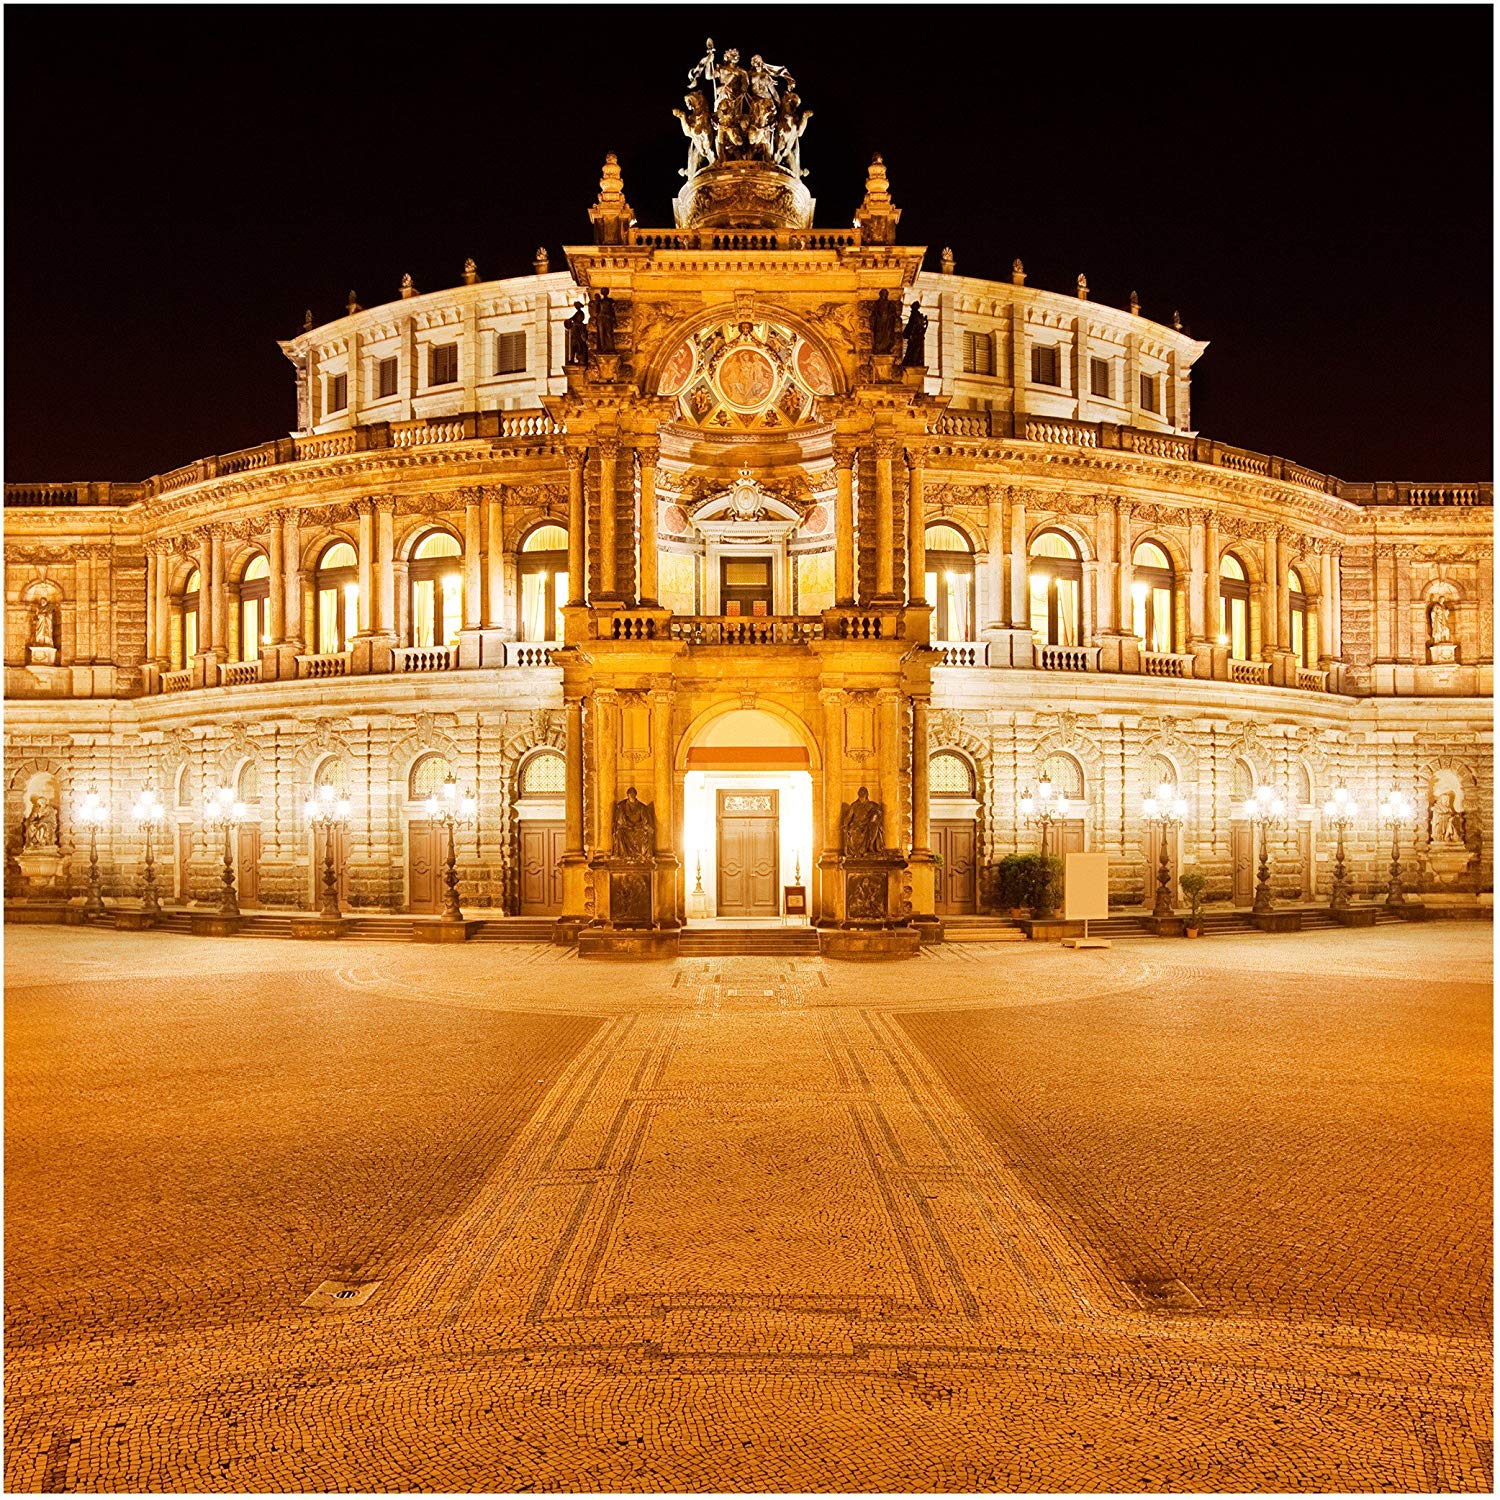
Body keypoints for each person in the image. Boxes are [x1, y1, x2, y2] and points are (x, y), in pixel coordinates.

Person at [613, 787, 655, 863]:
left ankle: (641, 856)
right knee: (619, 832)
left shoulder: (641, 807)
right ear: (627, 795)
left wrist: (638, 825)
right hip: (627, 828)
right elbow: (621, 820)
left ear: (635, 795)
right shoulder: (622, 806)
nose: (631, 795)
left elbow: (645, 820)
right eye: (630, 794)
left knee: (647, 833)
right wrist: (628, 825)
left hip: (638, 827)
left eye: (633, 794)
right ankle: (624, 855)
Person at [842, 786, 884, 857]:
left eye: (863, 795)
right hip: (856, 824)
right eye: (860, 795)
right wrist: (845, 824)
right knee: (853, 830)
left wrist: (875, 816)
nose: (862, 797)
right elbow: (848, 817)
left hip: (867, 824)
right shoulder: (854, 805)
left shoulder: (871, 805)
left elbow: (879, 811)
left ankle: (870, 845)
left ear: (866, 795)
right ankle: (857, 851)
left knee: (873, 826)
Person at [870, 289, 900, 356]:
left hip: (887, 323)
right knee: (878, 335)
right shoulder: (877, 303)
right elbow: (873, 313)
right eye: (883, 294)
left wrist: (889, 315)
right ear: (880, 294)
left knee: (888, 335)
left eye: (885, 294)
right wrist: (878, 316)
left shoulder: (890, 304)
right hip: (879, 323)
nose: (884, 295)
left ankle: (886, 349)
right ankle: (878, 349)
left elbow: (893, 313)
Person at [900, 300, 929, 368]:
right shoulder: (916, 315)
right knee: (913, 350)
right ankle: (913, 361)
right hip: (916, 336)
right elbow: (912, 325)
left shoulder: (916, 315)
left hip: (916, 336)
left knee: (914, 350)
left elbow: (912, 325)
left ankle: (913, 361)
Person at [564, 302, 590, 368]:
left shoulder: (580, 313)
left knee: (577, 345)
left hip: (577, 331)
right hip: (576, 331)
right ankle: (572, 358)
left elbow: (575, 319)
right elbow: (572, 318)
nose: (576, 307)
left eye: (576, 306)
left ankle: (576, 358)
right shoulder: (578, 313)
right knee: (574, 346)